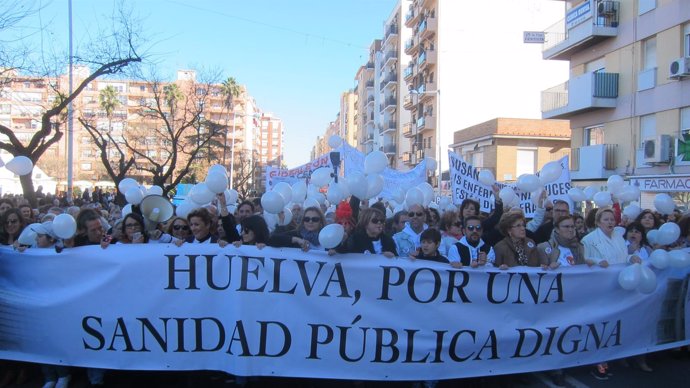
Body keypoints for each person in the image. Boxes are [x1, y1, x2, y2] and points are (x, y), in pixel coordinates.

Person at [581, 208, 643, 380]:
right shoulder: (589, 240)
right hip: (600, 289)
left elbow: (622, 256)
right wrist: (597, 261)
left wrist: (631, 258)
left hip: (620, 287)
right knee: (600, 325)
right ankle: (597, 363)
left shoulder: (617, 236)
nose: (610, 222)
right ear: (598, 222)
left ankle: (613, 356)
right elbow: (584, 260)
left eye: (612, 219)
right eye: (606, 219)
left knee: (616, 323)